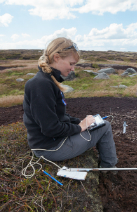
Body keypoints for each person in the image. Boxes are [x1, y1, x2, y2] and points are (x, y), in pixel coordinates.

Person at [23, 37, 118, 170]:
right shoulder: (41, 85)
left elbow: (58, 117)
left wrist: (82, 122)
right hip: (50, 148)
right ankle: (109, 167)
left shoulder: (47, 81)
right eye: (71, 63)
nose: (73, 68)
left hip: (50, 143)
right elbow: (50, 128)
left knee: (98, 124)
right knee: (105, 126)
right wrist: (80, 127)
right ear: (56, 57)